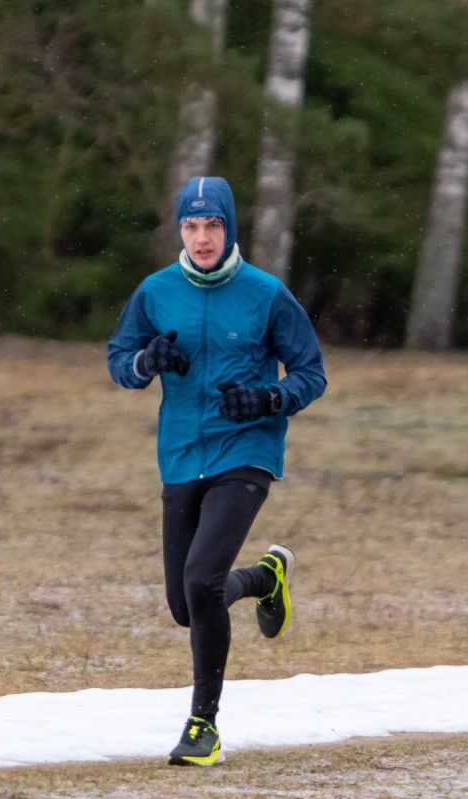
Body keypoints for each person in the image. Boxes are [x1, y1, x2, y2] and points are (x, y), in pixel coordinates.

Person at [107, 175, 327, 766]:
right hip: (180, 453)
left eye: (213, 225)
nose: (202, 238)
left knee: (202, 581)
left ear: (230, 228)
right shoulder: (154, 292)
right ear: (179, 229)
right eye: (191, 225)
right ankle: (264, 580)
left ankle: (203, 726)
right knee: (187, 604)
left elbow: (311, 371)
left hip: (247, 453)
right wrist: (145, 360)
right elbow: (118, 362)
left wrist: (271, 399)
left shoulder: (266, 294)